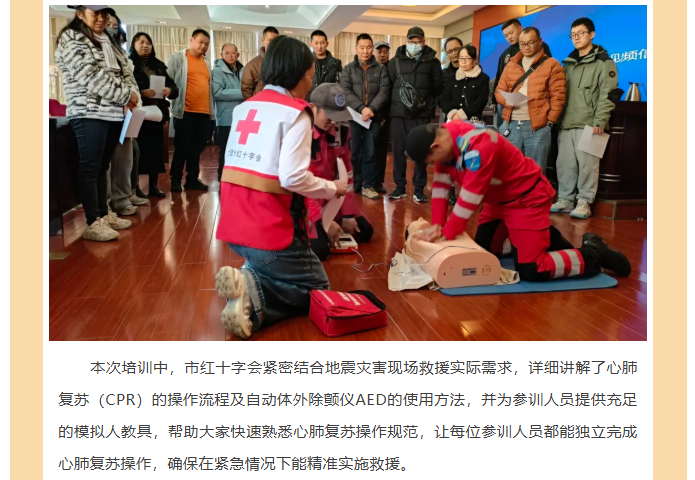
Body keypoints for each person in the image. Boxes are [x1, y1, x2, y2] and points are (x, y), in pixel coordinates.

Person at [215, 37, 347, 340]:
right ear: (298, 75)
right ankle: (253, 295)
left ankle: (250, 275)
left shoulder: (245, 107)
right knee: (317, 289)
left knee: (280, 267)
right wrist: (333, 188)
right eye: (310, 77)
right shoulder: (296, 112)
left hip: (234, 230)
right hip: (268, 235)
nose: (310, 85)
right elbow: (292, 178)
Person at [404, 121, 631, 282]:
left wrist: (448, 231)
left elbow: (470, 196)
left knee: (533, 269)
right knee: (482, 255)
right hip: (497, 203)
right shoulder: (445, 142)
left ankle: (593, 253)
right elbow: (441, 187)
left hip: (526, 199)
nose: (434, 165)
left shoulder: (478, 144)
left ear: (435, 147)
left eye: (431, 161)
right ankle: (538, 236)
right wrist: (438, 224)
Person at [55, 5, 136, 241]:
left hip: (113, 113)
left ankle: (104, 213)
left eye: (104, 14)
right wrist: (125, 95)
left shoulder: (108, 39)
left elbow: (125, 69)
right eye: (95, 13)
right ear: (80, 14)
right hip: (88, 112)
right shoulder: (71, 38)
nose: (101, 18)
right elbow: (90, 75)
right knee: (90, 167)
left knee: (102, 167)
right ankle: (92, 222)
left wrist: (132, 92)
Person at [552, 17, 619, 219]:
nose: (576, 38)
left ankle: (584, 202)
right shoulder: (567, 64)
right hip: (566, 123)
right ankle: (565, 199)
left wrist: (599, 121)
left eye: (580, 33)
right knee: (565, 165)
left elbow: (608, 94)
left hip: (591, 124)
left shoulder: (604, 62)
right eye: (573, 35)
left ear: (592, 34)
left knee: (588, 166)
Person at [306, 83, 374, 260]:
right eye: (329, 115)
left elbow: (348, 174)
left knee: (365, 231)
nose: (334, 122)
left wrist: (348, 214)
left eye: (338, 116)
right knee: (320, 250)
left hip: (331, 198)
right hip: (307, 203)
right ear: (313, 108)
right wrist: (322, 220)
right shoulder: (301, 134)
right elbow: (300, 185)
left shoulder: (342, 131)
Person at [495, 27, 566, 172]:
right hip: (510, 125)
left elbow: (558, 96)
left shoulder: (552, 64)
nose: (526, 47)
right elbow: (498, 91)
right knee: (510, 171)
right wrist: (506, 101)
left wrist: (549, 122)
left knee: (535, 172)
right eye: (522, 44)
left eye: (530, 43)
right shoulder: (511, 65)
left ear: (540, 41)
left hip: (537, 127)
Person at [387, 26, 443, 203]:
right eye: (411, 41)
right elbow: (389, 88)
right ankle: (399, 187)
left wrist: (428, 107)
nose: (414, 44)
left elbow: (437, 88)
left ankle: (419, 189)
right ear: (406, 42)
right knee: (398, 152)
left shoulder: (433, 63)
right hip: (398, 114)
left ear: (424, 42)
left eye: (418, 41)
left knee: (421, 151)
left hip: (421, 115)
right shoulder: (394, 62)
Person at [103, 12, 148, 215]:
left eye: (115, 25)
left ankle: (123, 197)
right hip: (107, 111)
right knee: (106, 163)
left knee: (126, 158)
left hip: (128, 112)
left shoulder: (122, 54)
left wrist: (133, 99)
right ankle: (106, 205)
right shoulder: (95, 48)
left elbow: (130, 80)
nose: (111, 28)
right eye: (108, 24)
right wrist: (124, 98)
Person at [339, 33, 390, 199]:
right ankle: (355, 183)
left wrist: (371, 109)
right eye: (362, 47)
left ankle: (368, 185)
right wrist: (362, 109)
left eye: (368, 47)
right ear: (356, 49)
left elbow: (384, 91)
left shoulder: (381, 69)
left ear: (372, 49)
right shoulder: (348, 69)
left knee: (371, 152)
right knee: (355, 152)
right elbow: (345, 91)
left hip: (373, 117)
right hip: (354, 117)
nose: (365, 51)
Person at [129, 32, 179, 197]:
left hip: (157, 114)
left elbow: (174, 88)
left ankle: (153, 186)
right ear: (134, 45)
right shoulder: (129, 65)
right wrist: (142, 93)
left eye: (148, 43)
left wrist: (169, 90)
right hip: (138, 114)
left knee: (156, 151)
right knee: (138, 152)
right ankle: (135, 187)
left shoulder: (158, 65)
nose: (145, 46)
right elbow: (125, 88)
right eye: (141, 42)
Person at [440, 45, 490, 206]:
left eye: (466, 59)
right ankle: (450, 191)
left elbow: (481, 101)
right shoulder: (452, 78)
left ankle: (470, 193)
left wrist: (462, 114)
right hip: (452, 122)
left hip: (472, 123)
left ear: (474, 60)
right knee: (451, 157)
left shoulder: (483, 78)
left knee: (471, 159)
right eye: (460, 58)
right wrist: (452, 113)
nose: (462, 62)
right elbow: (444, 98)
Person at [167, 29, 214, 192]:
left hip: (204, 112)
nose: (203, 46)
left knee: (197, 147)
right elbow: (169, 80)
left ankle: (192, 179)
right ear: (191, 40)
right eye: (200, 42)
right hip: (185, 111)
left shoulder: (206, 62)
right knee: (182, 147)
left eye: (206, 44)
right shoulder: (178, 58)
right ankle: (175, 178)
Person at [491, 19, 552, 129]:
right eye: (506, 35)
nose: (509, 37)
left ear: (520, 28)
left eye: (511, 33)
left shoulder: (539, 47)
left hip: (530, 99)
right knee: (501, 132)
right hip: (506, 101)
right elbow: (498, 79)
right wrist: (494, 101)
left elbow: (548, 72)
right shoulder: (504, 55)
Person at [212, 43, 244, 182]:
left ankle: (238, 178)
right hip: (225, 118)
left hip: (242, 118)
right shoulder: (217, 71)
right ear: (221, 55)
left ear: (238, 54)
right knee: (225, 150)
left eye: (233, 53)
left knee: (240, 150)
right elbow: (218, 93)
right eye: (227, 53)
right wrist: (243, 93)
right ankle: (223, 178)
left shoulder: (243, 70)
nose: (231, 56)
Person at [241, 26, 279, 100]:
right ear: (263, 40)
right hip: (260, 103)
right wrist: (254, 104)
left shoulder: (284, 62)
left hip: (280, 103)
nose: (273, 44)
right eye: (270, 40)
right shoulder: (252, 65)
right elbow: (246, 89)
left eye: (276, 41)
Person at [373, 40, 391, 194]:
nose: (382, 55)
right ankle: (366, 181)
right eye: (380, 51)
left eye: (385, 52)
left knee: (381, 151)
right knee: (368, 151)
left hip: (386, 117)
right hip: (369, 115)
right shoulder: (370, 68)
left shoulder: (392, 69)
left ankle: (378, 182)